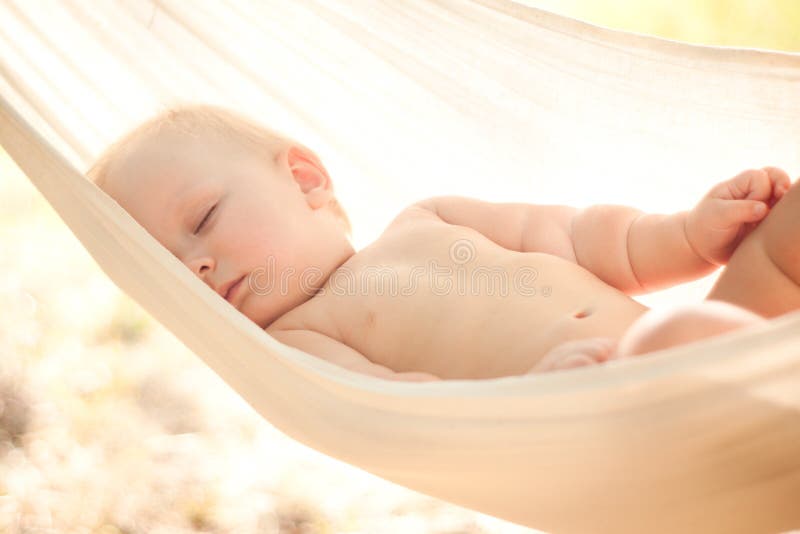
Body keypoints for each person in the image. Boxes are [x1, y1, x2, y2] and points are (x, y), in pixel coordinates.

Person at [87, 104, 796, 381]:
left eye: (203, 219)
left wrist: (692, 235)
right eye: (167, 269)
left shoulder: (428, 221)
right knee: (683, 334)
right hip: (608, 409)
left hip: (711, 351)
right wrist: (537, 399)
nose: (196, 264)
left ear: (305, 179)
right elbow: (417, 416)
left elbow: (586, 239)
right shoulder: (303, 344)